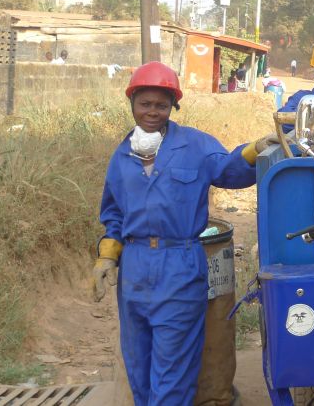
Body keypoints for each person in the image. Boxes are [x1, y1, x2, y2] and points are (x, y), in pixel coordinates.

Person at [92, 61, 277, 405]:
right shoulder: (122, 154)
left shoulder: (195, 145)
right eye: (145, 104)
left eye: (161, 105)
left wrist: (255, 150)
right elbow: (114, 213)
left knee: (173, 369)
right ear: (132, 103)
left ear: (173, 106)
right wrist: (106, 257)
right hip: (134, 270)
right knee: (139, 365)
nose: (152, 112)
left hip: (179, 265)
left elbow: (229, 171)